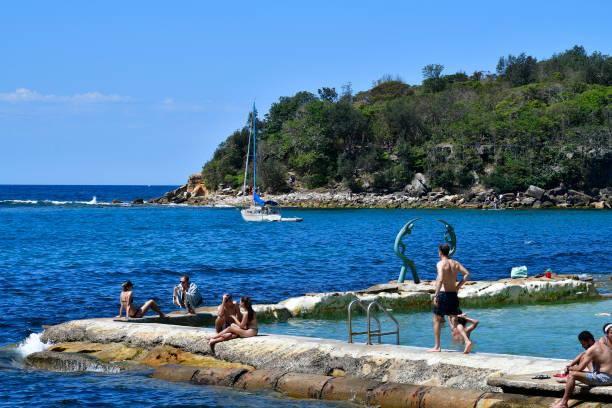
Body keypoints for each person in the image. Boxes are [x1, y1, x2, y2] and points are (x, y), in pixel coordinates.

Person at [428, 243, 471, 353]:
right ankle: (467, 341)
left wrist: (436, 294)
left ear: (440, 252)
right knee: (455, 321)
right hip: (453, 294)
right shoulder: (455, 263)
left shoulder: (440, 263)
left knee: (436, 319)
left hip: (443, 294)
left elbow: (441, 279)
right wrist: (457, 287)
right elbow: (467, 274)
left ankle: (437, 347)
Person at [551, 331, 612, 408]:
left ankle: (563, 403)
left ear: (589, 341)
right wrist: (571, 366)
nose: (582, 346)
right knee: (583, 360)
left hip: (606, 378)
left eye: (583, 344)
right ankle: (569, 380)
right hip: (606, 375)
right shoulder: (600, 345)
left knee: (572, 375)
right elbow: (583, 355)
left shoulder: (592, 350)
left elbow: (580, 368)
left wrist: (569, 368)